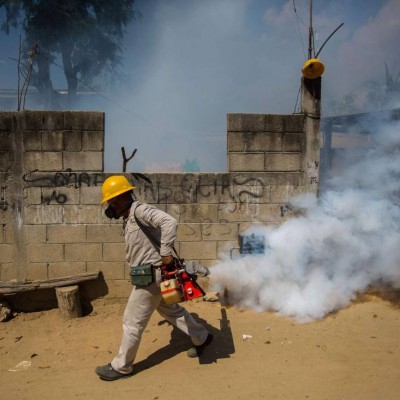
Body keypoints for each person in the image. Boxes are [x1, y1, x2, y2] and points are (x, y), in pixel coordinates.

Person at [95, 175, 213, 381]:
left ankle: (121, 367)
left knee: (132, 322)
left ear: (122, 199)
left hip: (151, 278)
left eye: (112, 201)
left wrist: (166, 251)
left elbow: (169, 221)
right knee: (172, 311)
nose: (110, 207)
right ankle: (201, 337)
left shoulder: (139, 211)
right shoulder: (129, 217)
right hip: (152, 276)